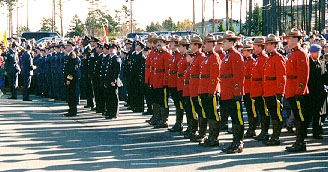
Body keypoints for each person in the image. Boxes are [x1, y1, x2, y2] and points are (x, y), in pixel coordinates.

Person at [284, 28, 310, 152]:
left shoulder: (301, 54)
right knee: (297, 116)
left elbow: (303, 74)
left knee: (299, 117)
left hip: (297, 91)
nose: (287, 41)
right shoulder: (293, 53)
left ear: (296, 39)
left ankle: (301, 142)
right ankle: (298, 141)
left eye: (289, 38)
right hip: (291, 89)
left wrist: (300, 91)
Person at [219, 31, 244, 154]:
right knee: (233, 118)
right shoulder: (227, 55)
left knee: (237, 117)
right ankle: (234, 141)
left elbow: (238, 76)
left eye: (225, 41)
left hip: (233, 92)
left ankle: (238, 143)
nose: (222, 43)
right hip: (227, 92)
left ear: (231, 42)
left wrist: (238, 92)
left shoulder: (235, 55)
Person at [262, 34, 286, 146]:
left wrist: (279, 92)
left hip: (274, 91)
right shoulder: (270, 58)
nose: (266, 46)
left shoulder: (278, 58)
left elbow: (281, 77)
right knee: (272, 113)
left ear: (274, 45)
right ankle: (273, 136)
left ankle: (276, 137)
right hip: (268, 90)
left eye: (268, 44)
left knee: (277, 114)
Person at [198, 34, 221, 147]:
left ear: (211, 44)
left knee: (213, 114)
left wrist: (211, 91)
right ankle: (210, 136)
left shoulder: (214, 57)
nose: (203, 45)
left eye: (205, 43)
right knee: (208, 113)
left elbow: (215, 76)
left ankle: (214, 137)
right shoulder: (207, 57)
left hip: (210, 91)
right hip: (204, 89)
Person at [305, 44, 328, 139]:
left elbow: (325, 76)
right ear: (311, 52)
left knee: (318, 113)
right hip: (310, 92)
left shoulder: (321, 62)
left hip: (319, 93)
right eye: (316, 52)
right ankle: (303, 132)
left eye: (319, 52)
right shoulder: (307, 63)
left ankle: (316, 132)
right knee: (308, 113)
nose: (318, 54)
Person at [251, 37, 270, 142]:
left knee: (264, 111)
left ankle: (265, 131)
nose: (253, 48)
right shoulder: (258, 58)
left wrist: (263, 90)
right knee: (260, 111)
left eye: (255, 46)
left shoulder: (264, 58)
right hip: (256, 88)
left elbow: (264, 76)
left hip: (261, 89)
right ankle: (263, 131)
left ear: (260, 47)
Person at [242, 42, 257, 138]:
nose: (243, 52)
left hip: (250, 89)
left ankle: (252, 129)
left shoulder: (252, 62)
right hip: (246, 89)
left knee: (252, 110)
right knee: (248, 110)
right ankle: (250, 129)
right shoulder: (246, 61)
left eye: (245, 50)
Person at [103, 43, 122, 119]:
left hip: (113, 81)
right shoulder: (109, 58)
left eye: (112, 49)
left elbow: (116, 71)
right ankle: (109, 111)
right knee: (108, 97)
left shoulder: (116, 58)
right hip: (108, 80)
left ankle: (114, 113)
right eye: (110, 49)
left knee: (113, 97)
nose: (111, 50)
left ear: (116, 50)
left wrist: (113, 81)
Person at [64, 41, 80, 117]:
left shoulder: (72, 56)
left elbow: (73, 69)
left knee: (72, 95)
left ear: (71, 47)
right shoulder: (69, 55)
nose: (66, 47)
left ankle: (73, 110)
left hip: (72, 79)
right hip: (69, 78)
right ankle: (70, 109)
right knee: (69, 94)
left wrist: (69, 79)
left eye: (67, 46)